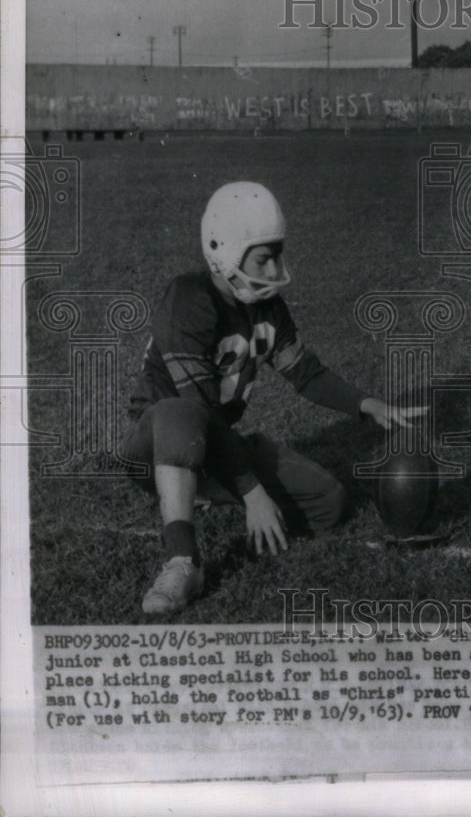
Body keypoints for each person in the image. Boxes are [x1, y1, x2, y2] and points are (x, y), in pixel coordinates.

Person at [123, 181, 424, 614]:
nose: (274, 268)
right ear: (223, 251)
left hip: (213, 444)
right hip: (154, 447)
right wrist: (253, 492)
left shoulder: (267, 309)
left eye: (276, 254)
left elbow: (305, 372)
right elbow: (200, 410)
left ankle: (201, 489)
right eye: (264, 258)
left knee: (328, 502)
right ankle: (182, 560)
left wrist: (367, 404)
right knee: (180, 411)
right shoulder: (188, 299)